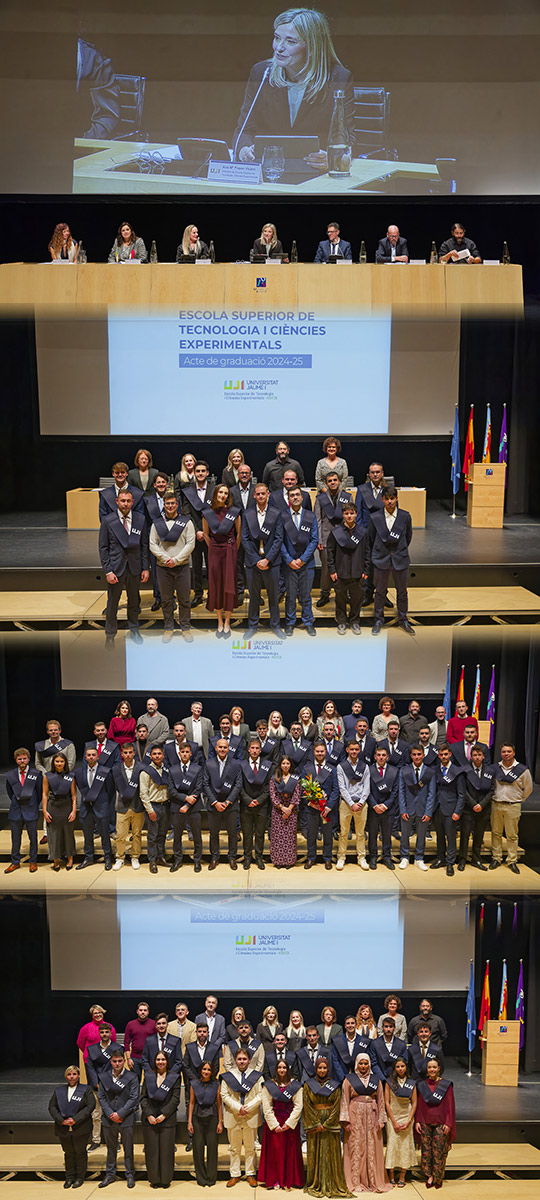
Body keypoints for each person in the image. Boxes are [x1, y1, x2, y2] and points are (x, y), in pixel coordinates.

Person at [233, 7, 355, 169]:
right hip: (270, 169)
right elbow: (244, 130)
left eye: (290, 41)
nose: (279, 47)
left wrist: (333, 159)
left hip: (315, 172)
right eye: (277, 38)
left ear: (312, 47)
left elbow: (349, 139)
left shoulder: (338, 78)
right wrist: (244, 151)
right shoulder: (262, 73)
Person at [99, 490, 149, 645]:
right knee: (113, 603)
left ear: (132, 502)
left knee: (134, 602)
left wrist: (145, 568)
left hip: (135, 567)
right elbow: (103, 547)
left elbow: (144, 545)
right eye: (123, 501)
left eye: (128, 501)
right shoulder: (108, 520)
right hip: (116, 569)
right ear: (117, 501)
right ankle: (110, 634)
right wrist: (108, 570)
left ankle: (134, 630)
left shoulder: (140, 519)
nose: (125, 504)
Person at [340, 1052, 390, 1194]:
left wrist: (381, 1119)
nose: (363, 1066)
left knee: (371, 1146)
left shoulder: (376, 1080)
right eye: (361, 1063)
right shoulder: (349, 1080)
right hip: (354, 1116)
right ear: (357, 1064)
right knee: (356, 1147)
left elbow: (380, 1100)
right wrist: (345, 1121)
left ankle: (373, 1180)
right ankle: (355, 1180)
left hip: (372, 1117)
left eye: (365, 1063)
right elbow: (344, 1100)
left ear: (369, 1064)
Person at [149, 490, 195, 644]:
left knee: (184, 600)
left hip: (181, 566)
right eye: (167, 503)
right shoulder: (157, 523)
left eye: (172, 503)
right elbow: (152, 544)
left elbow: (190, 544)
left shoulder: (187, 522)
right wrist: (165, 558)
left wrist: (176, 559)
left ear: (177, 505)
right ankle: (168, 628)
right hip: (162, 567)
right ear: (164, 505)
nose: (170, 506)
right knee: (166, 600)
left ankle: (185, 627)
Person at [303, 1055, 352, 1198]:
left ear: (328, 1069)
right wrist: (316, 1123)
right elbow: (307, 1105)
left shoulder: (335, 1085)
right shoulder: (308, 1085)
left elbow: (337, 1105)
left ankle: (332, 1181)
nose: (322, 1070)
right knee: (315, 1153)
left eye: (324, 1067)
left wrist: (328, 1123)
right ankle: (316, 1182)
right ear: (316, 1069)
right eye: (320, 1067)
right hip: (315, 1126)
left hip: (330, 1126)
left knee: (331, 1153)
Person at [368, 487, 414, 636]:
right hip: (381, 559)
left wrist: (398, 551)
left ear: (397, 498)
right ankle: (378, 620)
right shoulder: (375, 517)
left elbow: (408, 537)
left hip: (400, 558)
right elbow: (371, 538)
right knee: (380, 592)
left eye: (392, 498)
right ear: (382, 499)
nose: (389, 501)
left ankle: (403, 619)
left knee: (402, 592)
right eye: (386, 498)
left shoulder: (405, 516)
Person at [242, 482, 285, 639]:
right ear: (254, 496)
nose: (260, 496)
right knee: (254, 596)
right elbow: (245, 539)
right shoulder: (247, 514)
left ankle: (275, 625)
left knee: (273, 596)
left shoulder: (276, 513)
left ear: (268, 495)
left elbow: (279, 539)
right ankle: (253, 625)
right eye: (258, 494)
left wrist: (267, 559)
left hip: (271, 562)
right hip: (253, 562)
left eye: (263, 493)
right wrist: (256, 560)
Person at [221, 1046, 263, 1188]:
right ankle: (235, 1174)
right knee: (234, 1148)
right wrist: (238, 1108)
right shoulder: (228, 1076)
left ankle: (251, 1173)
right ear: (235, 1060)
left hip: (250, 1115)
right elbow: (224, 1095)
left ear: (249, 1060)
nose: (242, 1061)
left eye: (244, 1059)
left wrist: (248, 1108)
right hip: (233, 1115)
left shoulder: (257, 1076)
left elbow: (260, 1095)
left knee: (251, 1148)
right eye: (239, 1059)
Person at [203, 484, 241, 638]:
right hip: (214, 551)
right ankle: (219, 621)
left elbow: (239, 535)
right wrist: (214, 547)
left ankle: (227, 622)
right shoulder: (207, 513)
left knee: (229, 585)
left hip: (229, 550)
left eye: (226, 493)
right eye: (220, 492)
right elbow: (206, 535)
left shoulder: (234, 513)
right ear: (215, 494)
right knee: (217, 585)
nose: (223, 495)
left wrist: (232, 549)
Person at [258, 1061, 304, 1189]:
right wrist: (275, 1125)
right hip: (275, 1123)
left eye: (284, 1067)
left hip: (289, 1123)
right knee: (275, 1152)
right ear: (276, 1069)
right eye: (279, 1067)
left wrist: (289, 1123)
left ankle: (289, 1179)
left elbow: (298, 1105)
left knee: (290, 1152)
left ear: (288, 1069)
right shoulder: (269, 1085)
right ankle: (275, 1179)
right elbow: (267, 1106)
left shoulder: (295, 1085)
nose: (282, 1070)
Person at [49, 1065, 95, 1189]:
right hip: (63, 1127)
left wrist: (75, 1119)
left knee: (80, 1152)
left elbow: (90, 1106)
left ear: (78, 1075)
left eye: (74, 1074)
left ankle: (80, 1177)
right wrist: (61, 1120)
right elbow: (52, 1107)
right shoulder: (59, 1091)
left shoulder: (86, 1090)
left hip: (81, 1127)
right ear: (66, 1076)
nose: (72, 1077)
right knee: (68, 1153)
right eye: (69, 1074)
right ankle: (69, 1177)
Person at [98, 1049, 139, 1189]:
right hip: (109, 1118)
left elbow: (134, 1098)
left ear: (124, 1061)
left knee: (128, 1148)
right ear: (111, 1061)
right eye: (114, 1061)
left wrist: (120, 1114)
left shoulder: (132, 1077)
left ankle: (130, 1174)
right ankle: (110, 1175)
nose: (117, 1064)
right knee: (111, 1148)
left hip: (126, 1118)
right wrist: (111, 1114)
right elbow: (101, 1097)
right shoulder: (104, 1076)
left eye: (120, 1061)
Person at [490, 742, 533, 874]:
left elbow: (528, 789)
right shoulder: (495, 768)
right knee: (496, 833)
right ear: (500, 753)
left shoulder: (522, 770)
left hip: (513, 806)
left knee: (512, 835)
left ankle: (512, 860)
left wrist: (518, 800)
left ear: (513, 753)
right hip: (496, 804)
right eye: (503, 752)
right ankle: (496, 858)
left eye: (509, 751)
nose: (506, 754)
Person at [327, 501, 369, 634]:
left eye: (352, 513)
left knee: (357, 599)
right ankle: (341, 621)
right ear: (343, 515)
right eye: (346, 514)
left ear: (356, 514)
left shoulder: (362, 532)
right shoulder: (336, 532)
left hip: (358, 572)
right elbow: (330, 552)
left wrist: (366, 570)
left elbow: (368, 551)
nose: (349, 516)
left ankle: (355, 621)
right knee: (340, 598)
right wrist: (332, 570)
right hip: (341, 572)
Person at [140, 1051, 181, 1189]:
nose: (160, 1062)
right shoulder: (149, 1076)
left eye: (163, 1059)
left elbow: (175, 1099)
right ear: (154, 1061)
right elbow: (143, 1097)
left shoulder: (174, 1077)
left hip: (167, 1119)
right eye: (158, 1059)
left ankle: (165, 1180)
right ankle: (154, 1180)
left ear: (167, 1061)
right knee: (152, 1151)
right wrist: (149, 1115)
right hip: (150, 1119)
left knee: (166, 1151)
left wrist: (164, 1115)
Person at [282, 485, 318, 636]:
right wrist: (289, 560)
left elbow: (314, 540)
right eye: (292, 495)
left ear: (302, 497)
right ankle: (290, 622)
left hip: (307, 563)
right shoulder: (283, 516)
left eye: (297, 495)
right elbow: (280, 541)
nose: (295, 497)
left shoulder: (310, 516)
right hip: (289, 563)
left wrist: (302, 560)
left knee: (305, 594)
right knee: (290, 595)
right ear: (288, 499)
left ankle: (308, 621)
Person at [414, 1059, 456, 1189]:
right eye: (429, 1067)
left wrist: (448, 1123)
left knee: (438, 1151)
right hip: (425, 1121)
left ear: (439, 1068)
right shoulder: (422, 1085)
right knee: (426, 1151)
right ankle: (429, 1176)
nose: (432, 1069)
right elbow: (420, 1105)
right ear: (427, 1070)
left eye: (434, 1067)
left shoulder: (446, 1086)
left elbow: (450, 1106)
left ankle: (438, 1176)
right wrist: (418, 1121)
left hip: (441, 1122)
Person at [315, 473, 354, 608]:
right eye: (329, 481)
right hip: (326, 538)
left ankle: (345, 593)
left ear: (339, 481)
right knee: (326, 568)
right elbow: (318, 520)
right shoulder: (320, 498)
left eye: (335, 480)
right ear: (326, 483)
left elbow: (350, 518)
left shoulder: (347, 497)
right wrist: (319, 539)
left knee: (345, 566)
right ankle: (325, 593)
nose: (332, 483)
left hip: (343, 537)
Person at [180, 460, 216, 608]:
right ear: (194, 473)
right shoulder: (188, 491)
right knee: (195, 566)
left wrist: (206, 532)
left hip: (212, 535)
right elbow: (187, 513)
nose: (200, 473)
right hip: (194, 535)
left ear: (207, 473)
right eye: (198, 471)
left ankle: (213, 594)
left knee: (212, 566)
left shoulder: (214, 490)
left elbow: (217, 512)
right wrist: (197, 531)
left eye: (203, 471)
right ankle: (198, 594)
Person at [204, 738, 242, 870]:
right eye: (220, 747)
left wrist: (227, 802)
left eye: (225, 747)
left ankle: (232, 857)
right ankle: (215, 857)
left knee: (232, 833)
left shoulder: (236, 764)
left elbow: (238, 785)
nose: (222, 750)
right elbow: (205, 784)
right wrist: (215, 802)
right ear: (216, 748)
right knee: (214, 833)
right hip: (213, 805)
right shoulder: (208, 763)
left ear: (228, 749)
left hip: (230, 805)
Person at [140, 746, 179, 873]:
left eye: (159, 754)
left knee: (162, 834)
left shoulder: (167, 770)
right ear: (151, 756)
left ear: (163, 756)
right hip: (153, 806)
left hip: (165, 806)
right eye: (154, 754)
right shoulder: (145, 772)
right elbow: (143, 794)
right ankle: (152, 860)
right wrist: (150, 810)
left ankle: (160, 857)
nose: (157, 756)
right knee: (152, 836)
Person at [398, 744, 436, 872]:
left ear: (423, 755)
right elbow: (401, 791)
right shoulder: (404, 770)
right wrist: (402, 809)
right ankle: (404, 856)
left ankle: (419, 858)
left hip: (423, 809)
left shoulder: (429, 772)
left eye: (419, 754)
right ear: (411, 756)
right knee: (404, 835)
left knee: (421, 835)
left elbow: (432, 793)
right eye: (414, 754)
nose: (416, 757)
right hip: (407, 808)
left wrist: (428, 811)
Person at [86, 1023, 123, 1151]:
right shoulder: (92, 1049)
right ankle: (96, 1140)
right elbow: (90, 1067)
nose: (104, 1034)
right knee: (96, 1114)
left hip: (113, 1085)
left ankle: (115, 1140)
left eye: (107, 1032)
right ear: (99, 1033)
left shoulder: (117, 1047)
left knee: (113, 1113)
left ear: (110, 1033)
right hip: (97, 1086)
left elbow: (119, 1066)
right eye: (102, 1032)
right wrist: (96, 1082)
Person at [5, 747, 42, 874]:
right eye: (19, 759)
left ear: (28, 759)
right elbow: (10, 793)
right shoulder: (10, 775)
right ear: (16, 760)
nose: (22, 761)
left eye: (24, 758)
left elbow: (39, 792)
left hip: (31, 810)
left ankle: (33, 861)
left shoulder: (36, 774)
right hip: (16, 812)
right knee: (15, 839)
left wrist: (32, 805)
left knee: (33, 838)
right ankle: (15, 862)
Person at [168, 742, 204, 873]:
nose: (184, 754)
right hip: (177, 806)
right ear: (179, 754)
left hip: (194, 806)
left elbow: (199, 787)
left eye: (187, 752)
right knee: (177, 836)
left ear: (190, 753)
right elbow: (171, 790)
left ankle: (197, 860)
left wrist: (188, 803)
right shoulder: (172, 769)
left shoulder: (198, 768)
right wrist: (185, 799)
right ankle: (178, 860)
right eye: (182, 752)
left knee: (196, 835)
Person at [431, 745, 466, 877]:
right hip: (437, 808)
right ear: (438, 756)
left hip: (451, 809)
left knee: (451, 837)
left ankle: (450, 862)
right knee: (439, 836)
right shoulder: (435, 770)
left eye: (445, 754)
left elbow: (461, 794)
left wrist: (458, 811)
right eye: (441, 754)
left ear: (450, 754)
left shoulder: (457, 771)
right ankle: (441, 858)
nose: (443, 756)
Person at [458, 746, 495, 871]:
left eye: (479, 755)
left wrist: (482, 804)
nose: (477, 757)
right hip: (468, 808)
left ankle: (476, 859)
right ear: (471, 757)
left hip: (483, 809)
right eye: (475, 755)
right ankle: (462, 859)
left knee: (479, 835)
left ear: (483, 756)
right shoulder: (465, 770)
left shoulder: (489, 771)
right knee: (465, 835)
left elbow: (492, 790)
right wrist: (473, 804)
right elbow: (463, 790)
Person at [188, 1060, 223, 1188]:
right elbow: (191, 1103)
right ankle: (201, 1177)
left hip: (212, 1117)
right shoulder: (194, 1084)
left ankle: (211, 1177)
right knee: (198, 1148)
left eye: (209, 1069)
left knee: (212, 1148)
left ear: (212, 1071)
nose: (206, 1072)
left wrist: (220, 1121)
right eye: (204, 1069)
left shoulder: (216, 1084)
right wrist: (189, 1122)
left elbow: (219, 1104)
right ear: (200, 1070)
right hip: (197, 1118)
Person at [335, 740, 370, 871]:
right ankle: (341, 857)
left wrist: (360, 802)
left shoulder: (364, 766)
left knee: (360, 833)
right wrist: (351, 803)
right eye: (352, 749)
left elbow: (367, 787)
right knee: (344, 833)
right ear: (347, 750)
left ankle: (361, 858)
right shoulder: (341, 766)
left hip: (361, 804)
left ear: (359, 750)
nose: (354, 751)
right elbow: (342, 787)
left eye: (356, 749)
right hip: (346, 803)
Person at [304, 741, 338, 869]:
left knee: (327, 835)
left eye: (322, 751)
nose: (319, 753)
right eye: (317, 751)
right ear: (314, 752)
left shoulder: (332, 769)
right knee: (311, 835)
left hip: (327, 810)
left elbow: (336, 789)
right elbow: (303, 788)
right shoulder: (307, 768)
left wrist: (329, 806)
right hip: (311, 809)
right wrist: (310, 802)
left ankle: (327, 858)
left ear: (325, 752)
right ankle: (311, 858)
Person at [240, 738, 272, 870]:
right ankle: (247, 857)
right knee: (247, 834)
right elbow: (239, 786)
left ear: (260, 750)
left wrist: (259, 800)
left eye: (257, 748)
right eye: (252, 748)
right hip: (245, 804)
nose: (254, 751)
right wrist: (248, 800)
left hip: (262, 805)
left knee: (259, 834)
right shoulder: (242, 765)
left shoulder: (267, 765)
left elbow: (269, 786)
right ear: (249, 750)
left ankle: (258, 857)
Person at [384, 1059, 417, 1187]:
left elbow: (414, 1102)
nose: (400, 1069)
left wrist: (409, 1120)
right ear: (395, 1068)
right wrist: (393, 1121)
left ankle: (402, 1175)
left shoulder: (411, 1083)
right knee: (392, 1144)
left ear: (406, 1067)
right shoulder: (389, 1082)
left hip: (406, 1116)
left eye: (402, 1066)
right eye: (397, 1066)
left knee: (404, 1145)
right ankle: (391, 1175)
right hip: (393, 1116)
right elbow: (387, 1102)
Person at [42, 751, 77, 872]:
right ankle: (55, 859)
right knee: (54, 834)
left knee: (68, 833)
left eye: (62, 761)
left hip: (66, 807)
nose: (59, 763)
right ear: (53, 762)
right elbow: (45, 794)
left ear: (65, 763)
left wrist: (73, 811)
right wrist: (45, 811)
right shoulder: (47, 776)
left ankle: (70, 858)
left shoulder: (70, 776)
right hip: (53, 806)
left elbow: (74, 796)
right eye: (57, 761)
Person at [367, 746, 400, 870]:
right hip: (373, 808)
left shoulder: (394, 770)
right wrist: (375, 805)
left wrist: (386, 805)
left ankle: (387, 856)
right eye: (379, 755)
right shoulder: (369, 770)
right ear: (375, 757)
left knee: (387, 834)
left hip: (388, 808)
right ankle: (373, 857)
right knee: (373, 834)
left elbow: (395, 790)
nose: (381, 757)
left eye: (383, 755)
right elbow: (366, 789)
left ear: (387, 757)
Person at [269, 754, 301, 868]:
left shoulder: (295, 779)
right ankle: (278, 861)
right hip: (278, 811)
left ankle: (289, 861)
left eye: (288, 763)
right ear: (280, 765)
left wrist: (289, 809)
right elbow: (273, 795)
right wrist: (282, 808)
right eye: (283, 763)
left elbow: (297, 794)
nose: (286, 765)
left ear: (290, 765)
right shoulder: (274, 778)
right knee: (277, 837)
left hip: (291, 812)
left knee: (289, 837)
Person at [124, 1002, 156, 1080]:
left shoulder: (154, 1024)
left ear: (148, 1012)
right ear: (137, 1011)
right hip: (134, 1058)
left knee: (150, 1081)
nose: (142, 1012)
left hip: (149, 1058)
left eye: (145, 1010)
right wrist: (128, 1059)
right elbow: (126, 1042)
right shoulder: (130, 1024)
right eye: (141, 1010)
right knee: (134, 1082)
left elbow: (157, 1041)